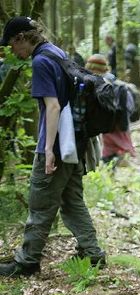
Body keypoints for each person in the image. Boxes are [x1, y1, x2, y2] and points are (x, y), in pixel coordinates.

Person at [0, 17, 105, 277]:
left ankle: (27, 262)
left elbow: (53, 106)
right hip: (75, 142)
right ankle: (93, 254)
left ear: (21, 38)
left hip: (58, 143)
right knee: (71, 200)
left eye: (12, 45)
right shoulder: (56, 52)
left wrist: (48, 150)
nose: (12, 51)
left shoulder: (41, 61)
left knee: (40, 202)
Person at [85, 54, 137, 166]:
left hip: (105, 127)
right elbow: (130, 106)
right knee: (122, 150)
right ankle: (120, 172)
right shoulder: (117, 83)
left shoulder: (92, 82)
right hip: (121, 125)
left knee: (109, 153)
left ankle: (113, 173)